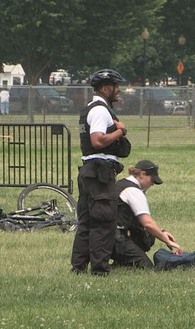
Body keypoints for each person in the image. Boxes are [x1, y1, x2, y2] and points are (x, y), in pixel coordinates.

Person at [71, 69, 131, 275]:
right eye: (116, 86)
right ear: (106, 88)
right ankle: (99, 269)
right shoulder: (100, 111)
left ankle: (78, 267)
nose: (119, 90)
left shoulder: (89, 109)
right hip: (99, 172)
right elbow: (97, 141)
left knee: (87, 222)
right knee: (103, 221)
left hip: (89, 171)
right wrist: (120, 131)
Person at [111, 160, 182, 269]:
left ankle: (121, 263)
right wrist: (166, 240)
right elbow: (147, 223)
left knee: (150, 235)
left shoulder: (122, 184)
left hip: (106, 236)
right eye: (152, 180)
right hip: (117, 239)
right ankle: (123, 261)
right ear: (142, 174)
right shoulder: (133, 191)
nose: (152, 184)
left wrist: (162, 231)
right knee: (147, 268)